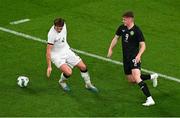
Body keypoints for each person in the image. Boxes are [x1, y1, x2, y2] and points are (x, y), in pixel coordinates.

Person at [107, 11, 158, 106]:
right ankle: (152, 76)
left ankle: (150, 99)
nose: (123, 21)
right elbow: (116, 38)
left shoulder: (137, 30)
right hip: (125, 58)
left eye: (124, 19)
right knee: (131, 80)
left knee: (136, 77)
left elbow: (143, 45)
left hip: (134, 57)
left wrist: (139, 55)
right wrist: (110, 49)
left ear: (130, 19)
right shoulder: (122, 28)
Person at [46, 18, 98, 92]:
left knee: (83, 67)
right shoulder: (51, 34)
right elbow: (48, 51)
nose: (59, 30)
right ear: (54, 26)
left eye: (61, 28)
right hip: (56, 55)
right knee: (68, 72)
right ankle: (62, 82)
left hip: (66, 50)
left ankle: (88, 84)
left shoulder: (64, 26)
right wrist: (49, 66)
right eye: (58, 28)